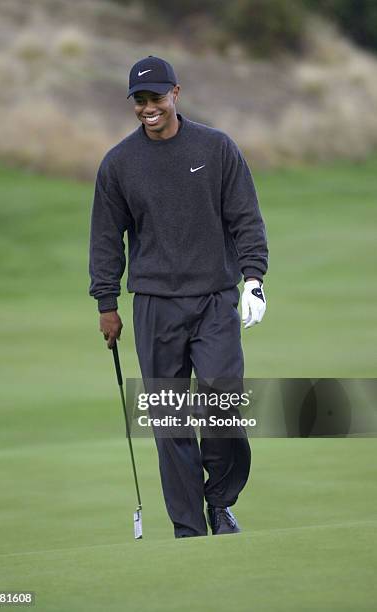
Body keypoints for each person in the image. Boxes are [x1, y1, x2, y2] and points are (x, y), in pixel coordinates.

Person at [89, 55, 268, 538]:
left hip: (213, 299)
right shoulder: (119, 164)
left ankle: (220, 500)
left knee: (223, 402)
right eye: (141, 100)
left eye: (157, 98)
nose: (150, 107)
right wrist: (107, 304)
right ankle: (188, 528)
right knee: (170, 421)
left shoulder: (216, 148)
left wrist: (254, 278)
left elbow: (245, 218)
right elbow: (107, 239)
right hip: (153, 304)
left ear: (176, 95)